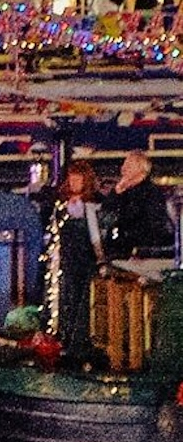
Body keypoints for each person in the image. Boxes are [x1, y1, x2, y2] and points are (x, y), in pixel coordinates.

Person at [52, 161, 105, 356]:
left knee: (83, 300)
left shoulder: (93, 204)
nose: (73, 182)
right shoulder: (62, 204)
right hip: (67, 259)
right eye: (71, 179)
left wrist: (99, 258)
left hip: (85, 260)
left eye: (78, 179)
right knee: (67, 298)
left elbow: (95, 235)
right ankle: (64, 336)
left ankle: (79, 341)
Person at [104, 152, 172, 259]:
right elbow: (106, 213)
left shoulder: (151, 193)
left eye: (128, 165)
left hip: (141, 252)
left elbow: (152, 223)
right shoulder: (122, 191)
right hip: (119, 251)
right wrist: (116, 192)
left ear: (141, 168)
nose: (123, 168)